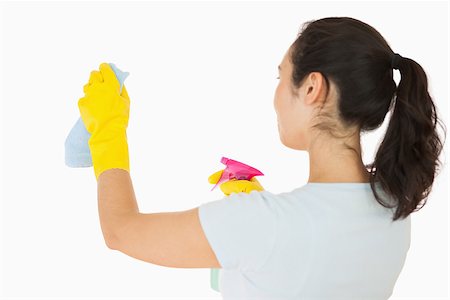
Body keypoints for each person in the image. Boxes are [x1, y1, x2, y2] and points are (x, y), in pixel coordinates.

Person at [80, 16, 446, 300]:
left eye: (281, 77)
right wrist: (242, 236)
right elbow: (300, 268)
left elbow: (121, 232)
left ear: (312, 87)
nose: (275, 96)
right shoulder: (395, 208)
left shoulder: (264, 224)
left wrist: (108, 135)